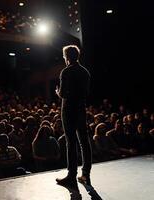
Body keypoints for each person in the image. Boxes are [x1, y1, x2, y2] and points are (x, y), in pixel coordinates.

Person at [55, 45, 92, 186]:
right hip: (81, 109)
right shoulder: (85, 72)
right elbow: (86, 93)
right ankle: (85, 175)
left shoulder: (66, 72)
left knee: (71, 142)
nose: (64, 58)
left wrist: (58, 92)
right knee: (84, 142)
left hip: (68, 110)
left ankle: (71, 176)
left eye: (64, 56)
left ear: (67, 57)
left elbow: (63, 94)